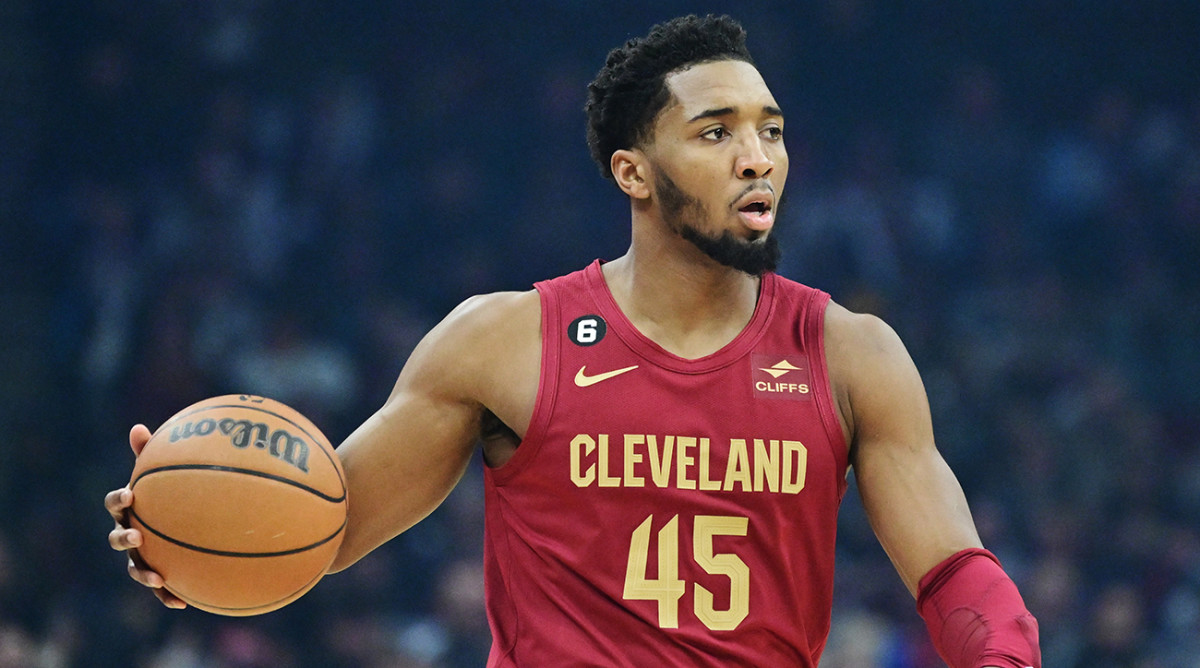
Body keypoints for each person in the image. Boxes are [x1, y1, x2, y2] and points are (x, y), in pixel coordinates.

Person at [107, 14, 1040, 667]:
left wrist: (1003, 654)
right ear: (633, 171)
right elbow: (325, 524)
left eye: (770, 130)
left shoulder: (850, 355)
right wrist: (191, 539)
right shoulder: (504, 340)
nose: (758, 157)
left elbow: (954, 572)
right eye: (715, 132)